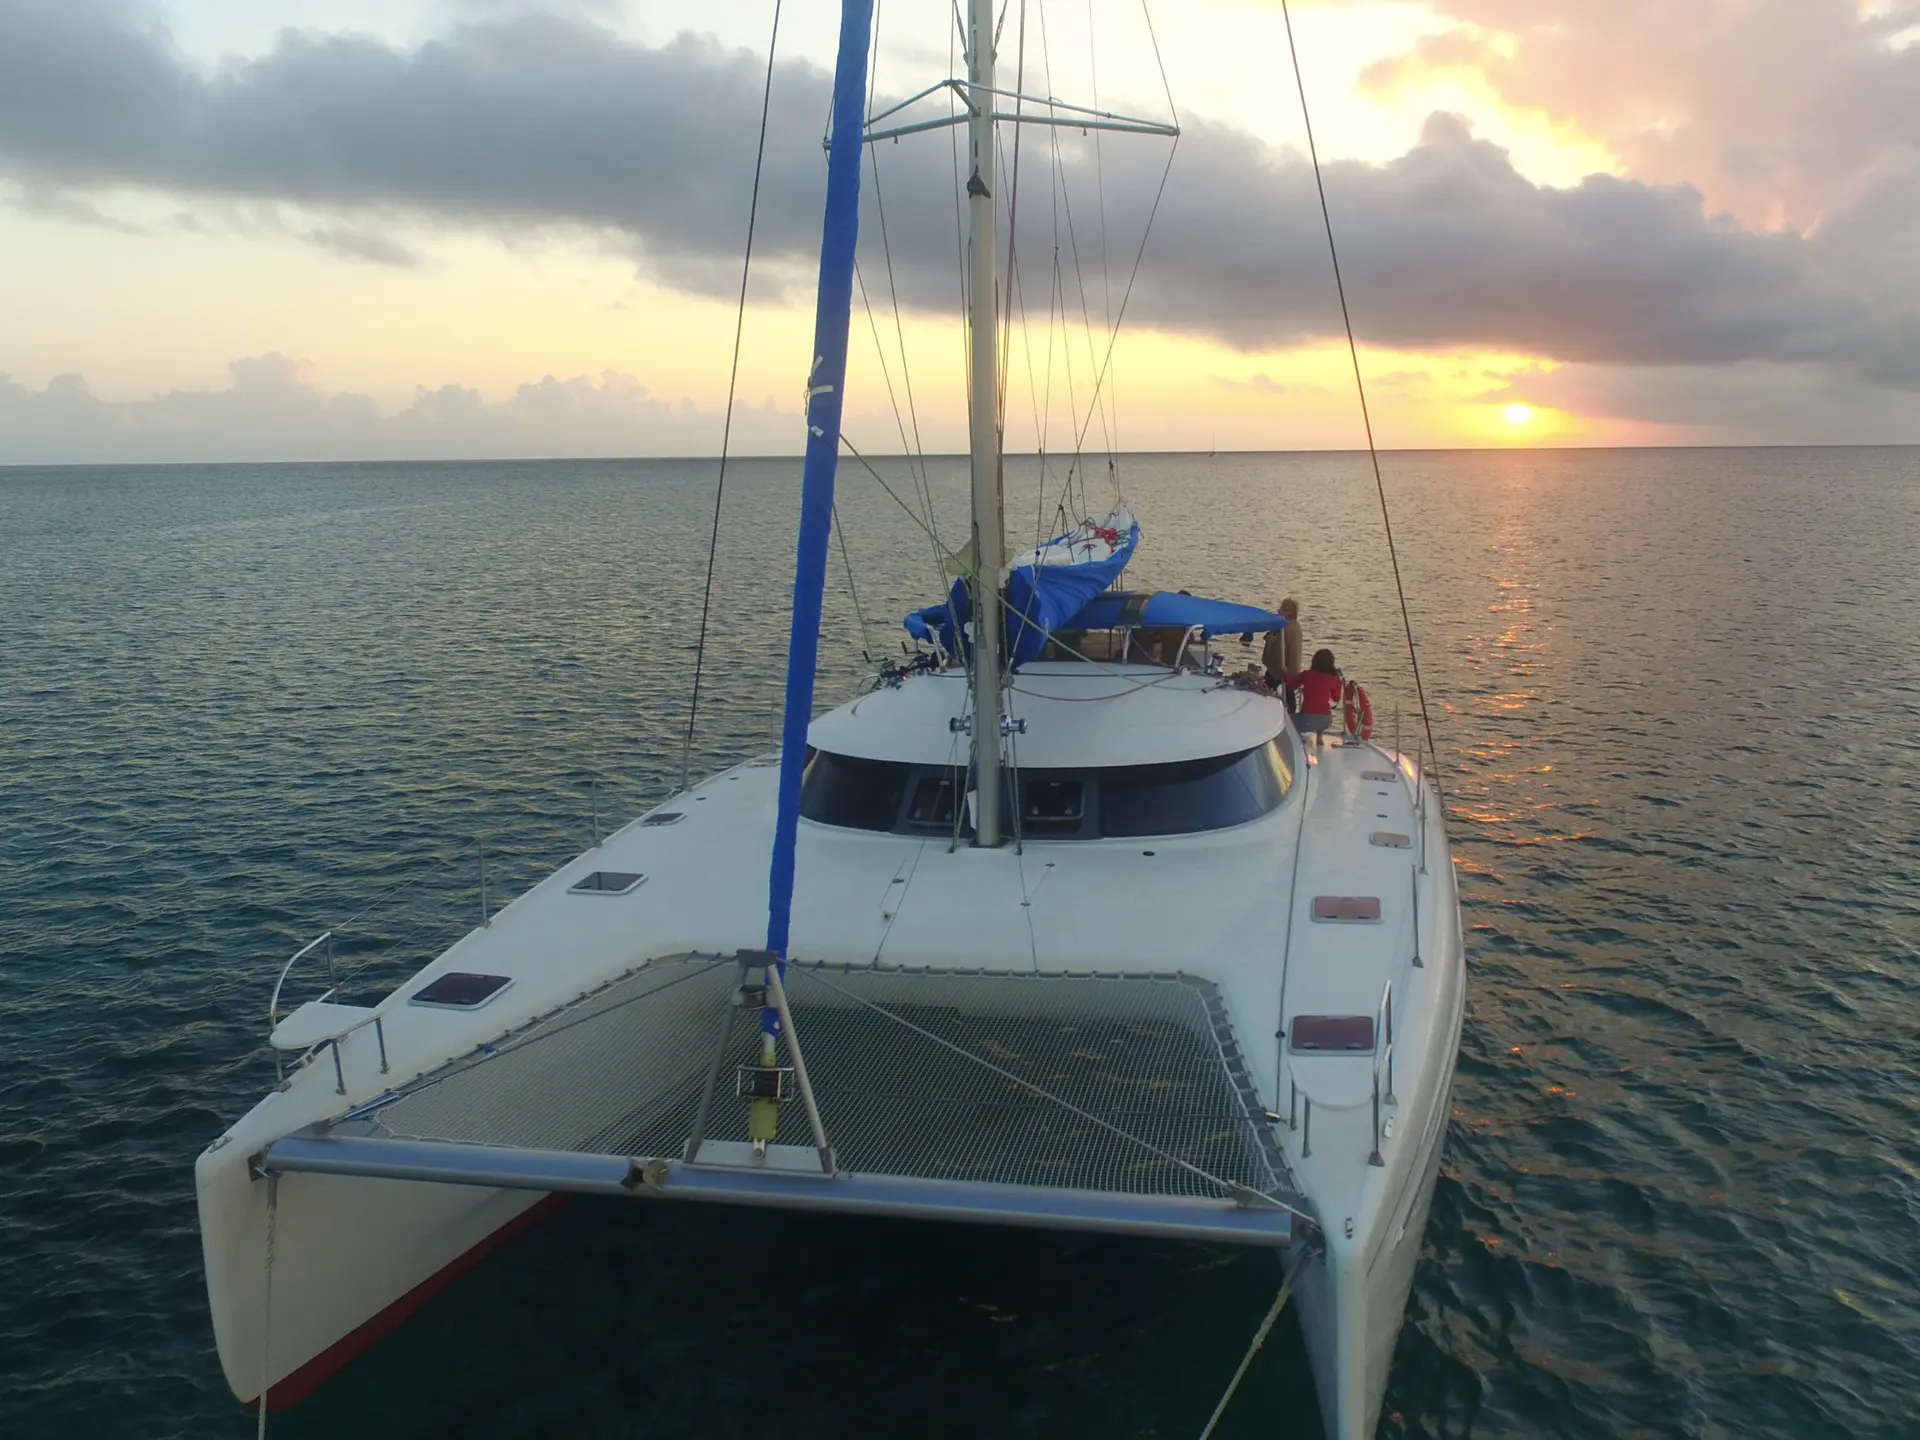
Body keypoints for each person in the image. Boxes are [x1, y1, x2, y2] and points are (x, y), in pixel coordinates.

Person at [1295, 647, 1344, 745]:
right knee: (1321, 708)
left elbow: (1291, 684)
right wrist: (1338, 681)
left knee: (1288, 720)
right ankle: (1319, 737)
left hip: (1306, 720)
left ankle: (1297, 737)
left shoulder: (1307, 674)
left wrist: (1284, 672)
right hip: (1326, 720)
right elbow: (1336, 698)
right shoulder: (1333, 679)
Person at [1261, 597, 1302, 706]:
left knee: (1265, 689)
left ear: (1288, 612)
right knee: (1289, 694)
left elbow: (1278, 647)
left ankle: (1263, 707)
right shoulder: (1296, 626)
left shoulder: (1284, 627)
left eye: (1282, 609)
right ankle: (1291, 715)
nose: (1278, 611)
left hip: (1280, 668)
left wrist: (1269, 639)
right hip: (1292, 668)